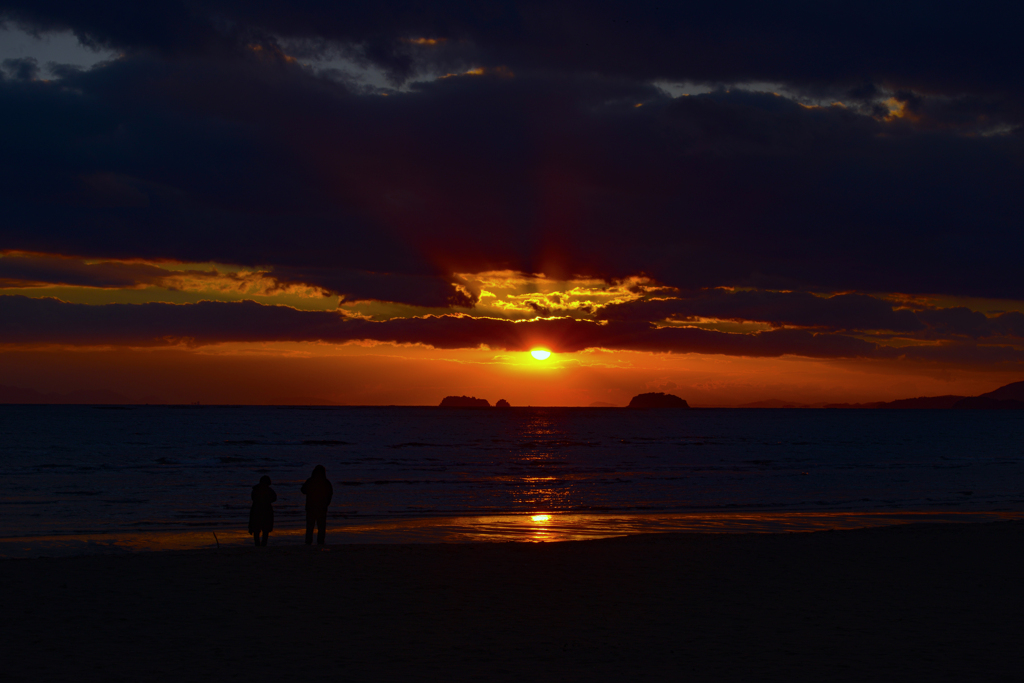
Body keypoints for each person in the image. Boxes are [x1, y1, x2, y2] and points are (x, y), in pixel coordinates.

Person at [301, 465, 334, 545]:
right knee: (321, 526)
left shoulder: (310, 481)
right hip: (321, 507)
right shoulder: (326, 482)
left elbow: (303, 490)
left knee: (310, 525)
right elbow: (330, 494)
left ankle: (309, 541)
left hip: (311, 507)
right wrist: (326, 503)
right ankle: (320, 541)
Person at [248, 475, 277, 546]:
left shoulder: (256, 489)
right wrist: (267, 501)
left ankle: (257, 544)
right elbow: (274, 498)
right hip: (266, 510)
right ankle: (263, 544)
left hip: (256, 509)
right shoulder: (269, 490)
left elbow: (253, 498)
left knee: (256, 528)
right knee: (265, 528)